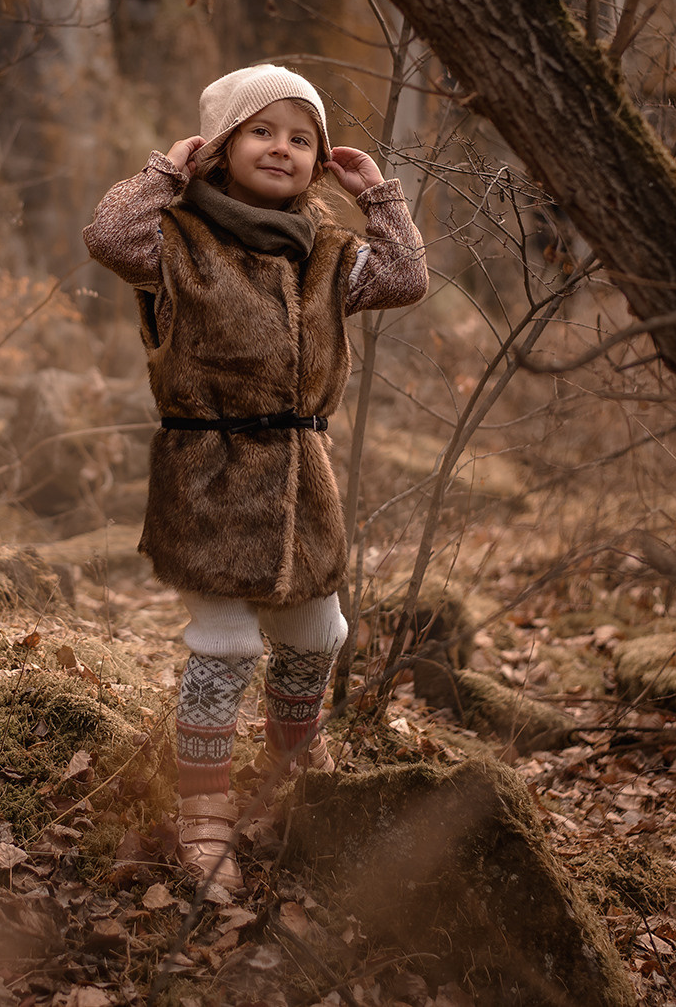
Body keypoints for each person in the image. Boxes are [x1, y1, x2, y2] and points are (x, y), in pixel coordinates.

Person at [83, 64, 428, 892]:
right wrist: (167, 168)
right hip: (206, 474)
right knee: (228, 642)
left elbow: (408, 278)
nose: (283, 148)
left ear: (318, 159)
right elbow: (107, 236)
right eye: (262, 131)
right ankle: (204, 811)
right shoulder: (175, 242)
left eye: (301, 138)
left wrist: (380, 197)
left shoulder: (331, 255)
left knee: (319, 636)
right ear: (222, 146)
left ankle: (286, 781)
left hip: (303, 481)